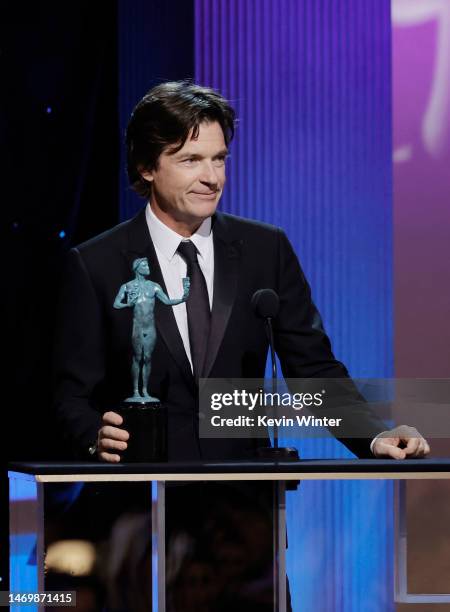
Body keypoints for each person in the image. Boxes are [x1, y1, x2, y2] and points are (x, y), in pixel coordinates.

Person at [54, 80, 430, 462]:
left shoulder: (266, 250)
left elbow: (312, 368)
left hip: (246, 504)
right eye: (191, 160)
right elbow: (71, 394)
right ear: (147, 167)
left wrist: (373, 435)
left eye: (219, 159)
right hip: (146, 503)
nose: (212, 177)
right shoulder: (97, 264)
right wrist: (93, 436)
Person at [113, 257, 190, 402]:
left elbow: (167, 301)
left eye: (148, 264)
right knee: (137, 358)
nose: (148, 267)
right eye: (144, 264)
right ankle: (136, 391)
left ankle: (145, 391)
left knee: (147, 358)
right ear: (137, 268)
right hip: (137, 327)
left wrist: (183, 298)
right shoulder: (127, 286)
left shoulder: (154, 286)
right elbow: (116, 303)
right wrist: (127, 305)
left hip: (150, 327)